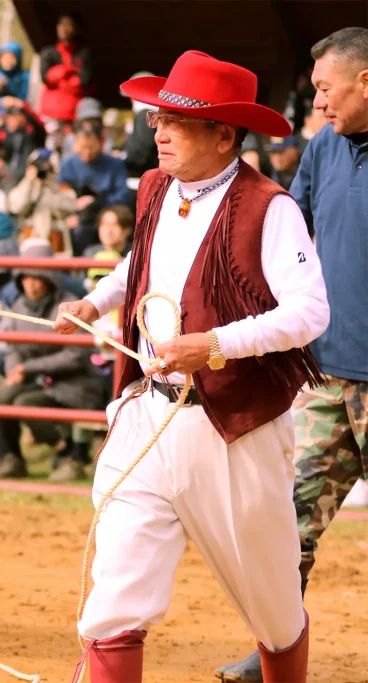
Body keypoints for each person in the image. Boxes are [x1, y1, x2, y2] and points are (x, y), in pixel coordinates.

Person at [54, 50, 329, 682]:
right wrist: (94, 301)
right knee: (118, 586)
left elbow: (311, 312)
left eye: (176, 121)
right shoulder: (154, 188)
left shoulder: (269, 206)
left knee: (273, 603)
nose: (158, 131)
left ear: (224, 135)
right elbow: (141, 263)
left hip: (235, 428)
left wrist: (214, 345)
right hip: (150, 412)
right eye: (158, 119)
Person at [214, 27, 368, 683]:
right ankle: (276, 652)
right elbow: (285, 244)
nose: (320, 104)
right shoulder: (321, 150)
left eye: (327, 90)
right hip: (328, 375)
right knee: (286, 527)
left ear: (365, 81)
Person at [0, 240, 105, 479]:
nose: (30, 284)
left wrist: (27, 368)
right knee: (1, 395)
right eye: (26, 278)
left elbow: (75, 356)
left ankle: (68, 454)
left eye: (37, 278)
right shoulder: (19, 306)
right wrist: (14, 371)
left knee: (25, 403)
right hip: (42, 380)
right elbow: (13, 347)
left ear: (49, 278)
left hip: (76, 384)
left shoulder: (70, 305)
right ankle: (10, 456)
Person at [57, 119, 132, 255]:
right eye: (82, 147)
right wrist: (73, 206)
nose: (86, 152)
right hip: (78, 216)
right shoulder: (67, 165)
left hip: (106, 212)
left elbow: (123, 196)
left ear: (100, 143)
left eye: (91, 147)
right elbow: (58, 196)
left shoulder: (114, 165)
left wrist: (98, 203)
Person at [37, 12, 95, 125]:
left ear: (76, 28)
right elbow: (45, 77)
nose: (64, 28)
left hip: (75, 113)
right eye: (61, 24)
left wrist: (59, 78)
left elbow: (84, 81)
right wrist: (66, 72)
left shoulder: (85, 54)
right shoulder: (48, 52)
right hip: (50, 113)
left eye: (69, 24)